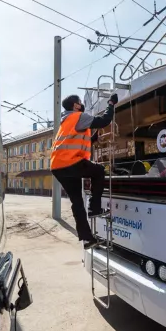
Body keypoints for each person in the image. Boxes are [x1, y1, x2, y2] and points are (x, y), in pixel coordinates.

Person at [51, 93, 117, 249]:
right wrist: (111, 103)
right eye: (80, 102)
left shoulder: (65, 121)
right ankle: (94, 208)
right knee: (99, 171)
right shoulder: (78, 116)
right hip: (71, 163)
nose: (81, 104)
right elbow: (105, 120)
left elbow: (75, 140)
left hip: (58, 167)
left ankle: (87, 239)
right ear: (75, 105)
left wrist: (93, 138)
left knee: (77, 202)